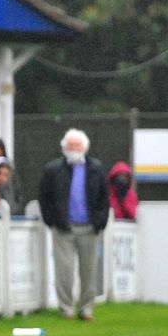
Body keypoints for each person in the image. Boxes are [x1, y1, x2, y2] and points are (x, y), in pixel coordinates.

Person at [38, 128, 108, 321]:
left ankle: (86, 309)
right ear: (64, 147)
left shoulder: (96, 168)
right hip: (63, 227)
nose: (73, 149)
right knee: (64, 271)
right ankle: (66, 308)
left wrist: (99, 222)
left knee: (89, 271)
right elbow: (44, 197)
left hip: (89, 228)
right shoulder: (53, 169)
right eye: (70, 145)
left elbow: (104, 198)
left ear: (85, 148)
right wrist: (51, 221)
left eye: (77, 145)